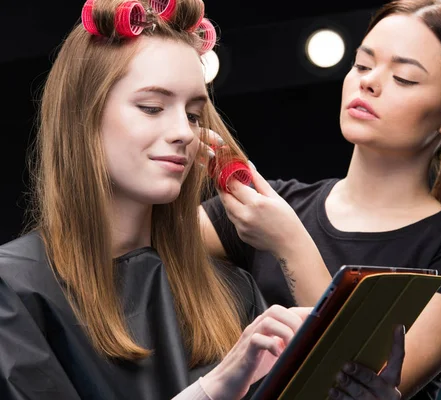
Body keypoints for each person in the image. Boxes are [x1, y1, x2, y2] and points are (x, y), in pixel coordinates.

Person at [0, 1, 406, 399]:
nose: (184, 132)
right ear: (81, 117)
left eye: (194, 114)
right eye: (152, 107)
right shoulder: (15, 289)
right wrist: (212, 390)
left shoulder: (233, 294)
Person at [201, 0, 441, 399]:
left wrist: (289, 242)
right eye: (362, 65)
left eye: (405, 78)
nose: (369, 82)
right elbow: (125, 238)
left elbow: (357, 378)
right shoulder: (272, 206)